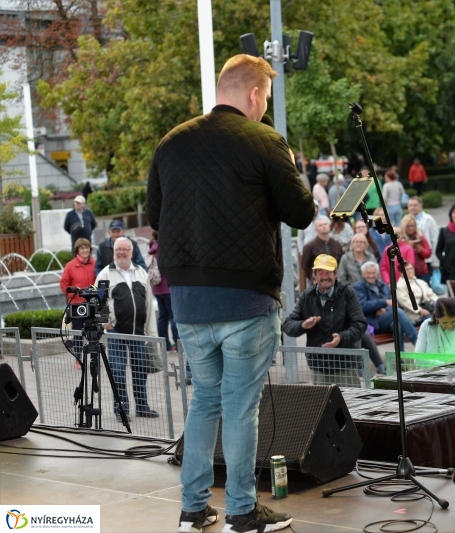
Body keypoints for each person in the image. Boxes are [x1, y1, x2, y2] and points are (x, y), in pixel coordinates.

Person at [147, 54, 315, 532]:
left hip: (189, 300)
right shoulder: (265, 140)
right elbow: (301, 213)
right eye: (265, 99)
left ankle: (193, 509)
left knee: (204, 400)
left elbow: (156, 216)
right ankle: (243, 510)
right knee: (241, 406)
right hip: (246, 299)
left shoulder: (171, 142)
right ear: (256, 93)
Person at [95, 237, 159, 420]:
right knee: (118, 372)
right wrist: (106, 324)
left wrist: (151, 333)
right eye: (118, 249)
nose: (122, 252)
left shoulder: (141, 273)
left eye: (125, 249)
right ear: (114, 252)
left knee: (140, 371)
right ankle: (121, 409)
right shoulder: (104, 274)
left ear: (132, 252)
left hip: (138, 332)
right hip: (116, 332)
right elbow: (98, 301)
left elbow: (148, 305)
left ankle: (142, 407)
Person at [282, 255, 368, 386]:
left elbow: (360, 325)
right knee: (323, 405)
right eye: (320, 273)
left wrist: (341, 338)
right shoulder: (307, 295)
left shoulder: (347, 292)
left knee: (349, 404)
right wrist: (303, 325)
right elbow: (287, 325)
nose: (325, 276)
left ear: (335, 273)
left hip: (344, 363)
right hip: (318, 364)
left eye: (328, 272)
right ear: (314, 275)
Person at [354, 262, 419, 345]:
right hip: (372, 323)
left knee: (396, 324)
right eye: (368, 273)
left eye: (373, 273)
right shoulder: (358, 287)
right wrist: (383, 303)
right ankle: (416, 341)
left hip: (384, 318)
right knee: (397, 312)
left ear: (377, 274)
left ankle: (400, 356)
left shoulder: (382, 285)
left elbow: (393, 303)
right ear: (363, 274)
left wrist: (385, 309)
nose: (371, 276)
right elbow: (362, 306)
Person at [148, 232, 180, 356]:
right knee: (173, 316)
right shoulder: (165, 248)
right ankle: (177, 344)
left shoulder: (152, 249)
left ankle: (165, 344)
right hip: (167, 287)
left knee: (162, 317)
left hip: (156, 288)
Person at [59, 238, 96, 336]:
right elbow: (63, 284)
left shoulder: (95, 264)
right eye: (82, 248)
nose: (85, 250)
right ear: (77, 250)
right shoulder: (70, 266)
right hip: (77, 306)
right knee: (78, 334)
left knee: (93, 334)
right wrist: (74, 294)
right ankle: (78, 352)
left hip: (92, 304)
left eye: (87, 247)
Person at [302, 217, 344, 283]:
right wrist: (313, 278)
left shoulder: (337, 245)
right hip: (317, 282)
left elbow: (341, 263)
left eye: (325, 224)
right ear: (315, 229)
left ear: (329, 226)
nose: (323, 226)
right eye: (320, 225)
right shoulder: (310, 246)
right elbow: (305, 265)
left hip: (335, 280)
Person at [406, 196, 439, 273]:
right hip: (409, 260)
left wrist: (435, 260)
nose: (412, 207)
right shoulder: (405, 220)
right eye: (410, 205)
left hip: (426, 258)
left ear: (421, 206)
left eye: (415, 205)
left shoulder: (428, 219)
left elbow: (435, 239)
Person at [399, 214, 432, 282]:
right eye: (408, 226)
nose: (411, 228)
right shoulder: (400, 239)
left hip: (421, 272)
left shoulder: (420, 236)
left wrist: (421, 250)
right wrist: (407, 247)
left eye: (412, 226)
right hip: (406, 272)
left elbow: (428, 253)